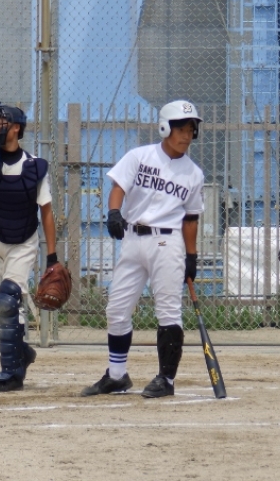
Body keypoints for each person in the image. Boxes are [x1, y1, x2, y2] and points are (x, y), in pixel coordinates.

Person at [81, 100, 205, 398]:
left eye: (191, 129)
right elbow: (119, 187)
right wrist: (114, 212)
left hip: (168, 242)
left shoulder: (193, 173)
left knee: (168, 310)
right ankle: (117, 376)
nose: (186, 135)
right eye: (180, 128)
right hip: (133, 240)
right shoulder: (139, 156)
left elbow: (191, 218)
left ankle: (166, 379)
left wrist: (191, 256)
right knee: (117, 309)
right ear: (165, 128)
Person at [0, 102, 58, 393]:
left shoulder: (35, 167)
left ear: (15, 128)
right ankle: (22, 352)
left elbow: (47, 212)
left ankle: (11, 374)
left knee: (8, 301)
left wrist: (52, 257)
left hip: (24, 241)